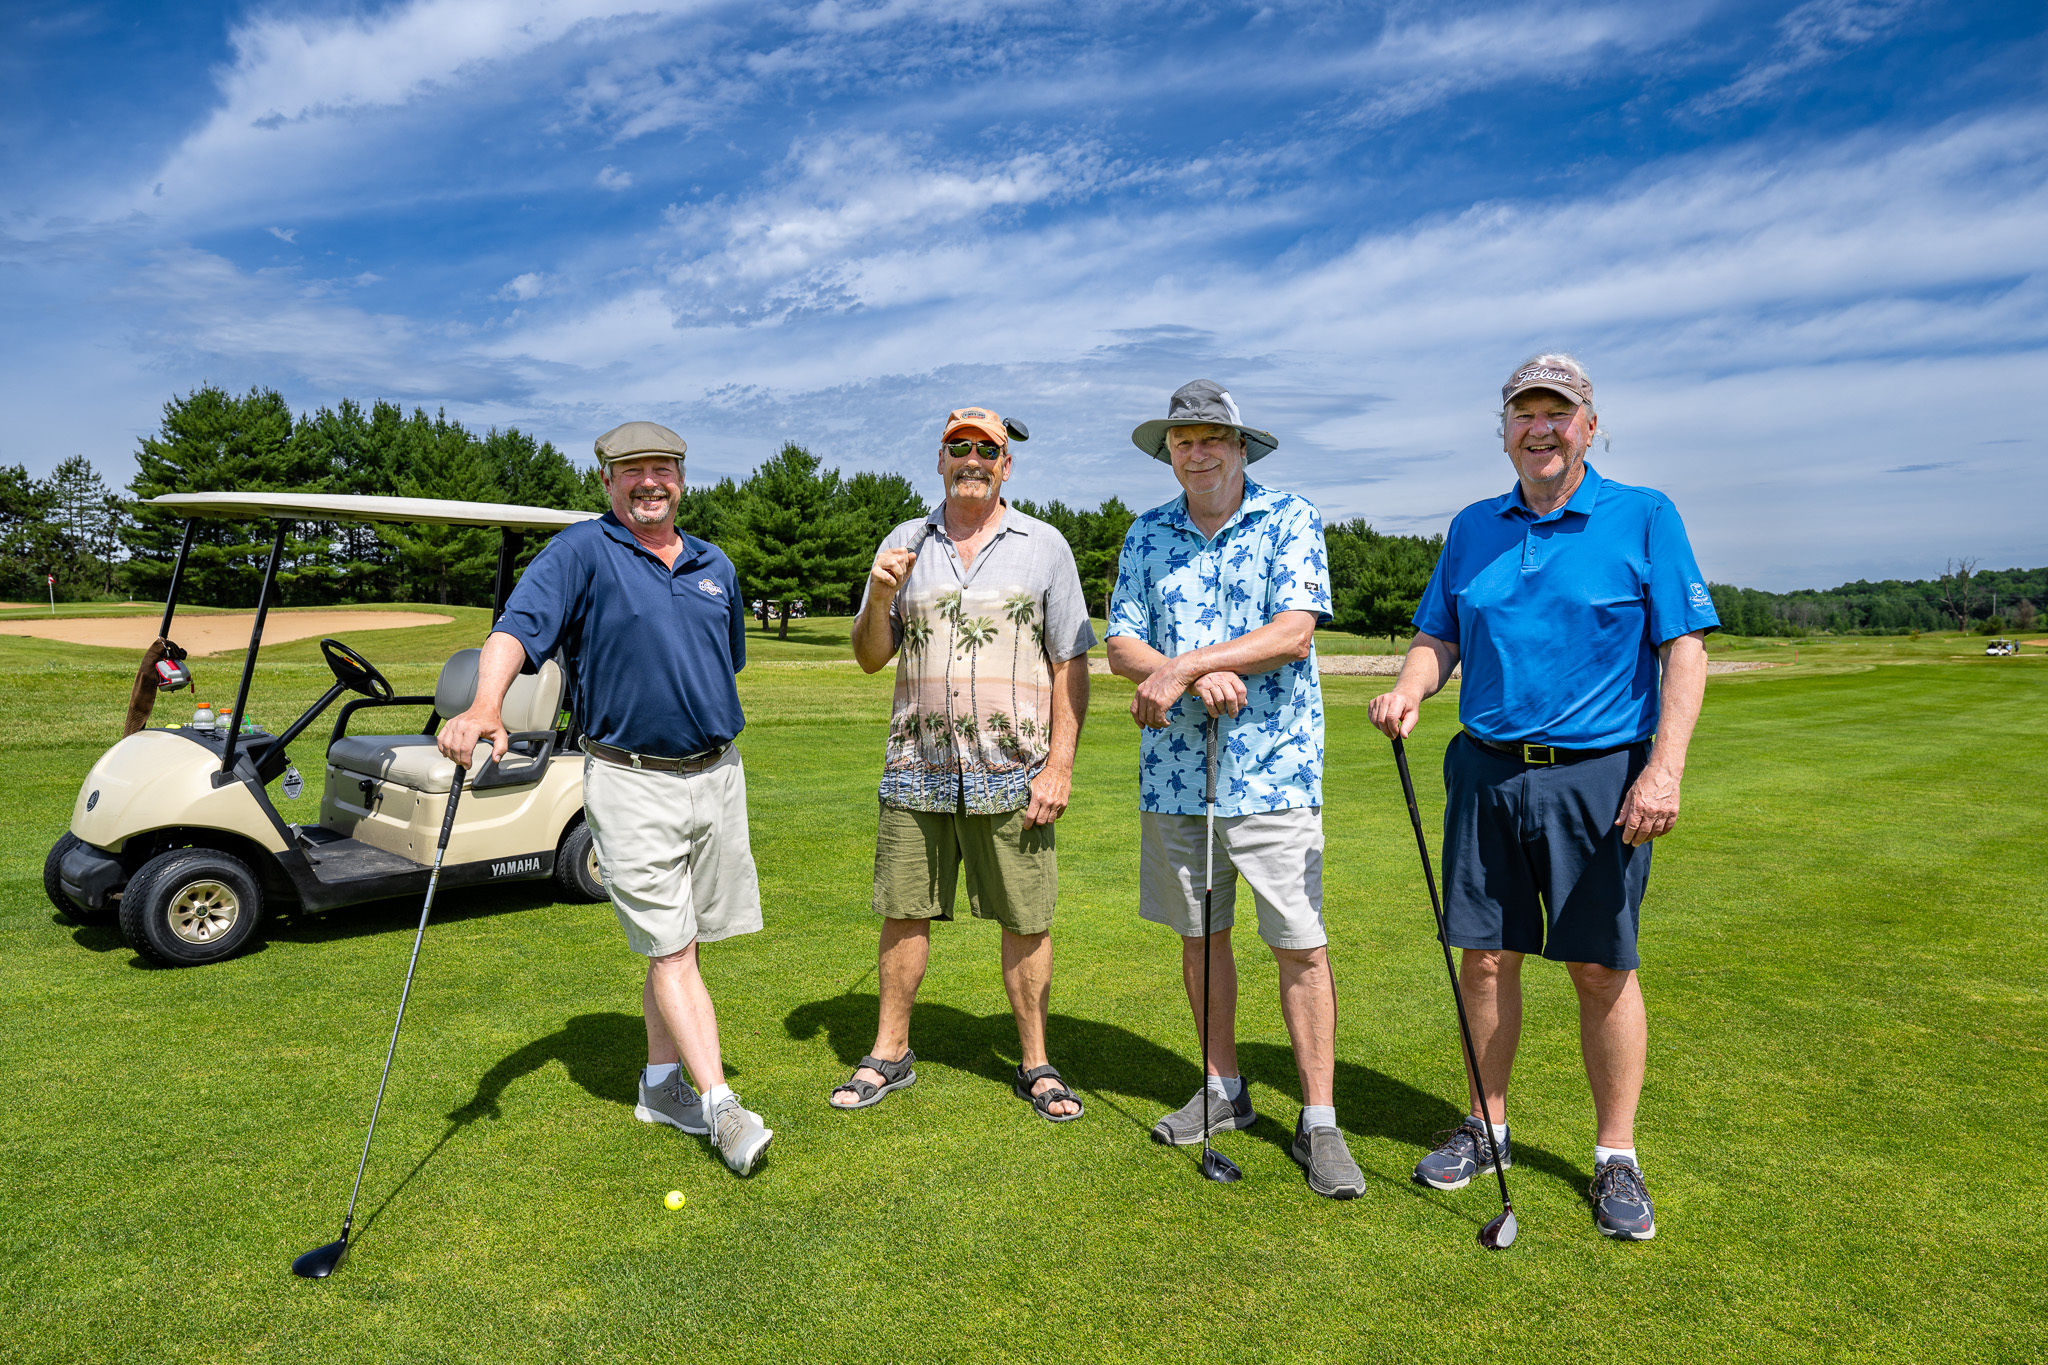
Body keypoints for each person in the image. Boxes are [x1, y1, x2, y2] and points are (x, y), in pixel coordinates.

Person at [1367, 354, 1716, 1240]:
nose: (1541, 428)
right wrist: (1410, 686)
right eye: (1524, 413)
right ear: (1505, 431)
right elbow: (1438, 636)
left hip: (1600, 775)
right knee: (1484, 957)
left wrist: (1664, 769)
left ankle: (1616, 1156)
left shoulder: (1644, 514)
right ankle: (1487, 1126)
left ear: (1589, 426)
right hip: (1486, 770)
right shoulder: (1472, 527)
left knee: (1601, 965)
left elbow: (1684, 649)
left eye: (1558, 412)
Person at [437, 420, 775, 1176]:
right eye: (632, 471)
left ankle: (659, 1086)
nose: (649, 482)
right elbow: (515, 631)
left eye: (662, 469)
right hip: (630, 779)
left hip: (717, 776)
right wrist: (486, 702)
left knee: (679, 943)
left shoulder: (715, 564)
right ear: (607, 480)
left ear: (681, 478)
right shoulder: (580, 552)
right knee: (673, 949)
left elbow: (726, 661)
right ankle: (720, 1104)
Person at [1105, 380, 1366, 1199]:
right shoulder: (1146, 533)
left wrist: (1190, 665)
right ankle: (1224, 1088)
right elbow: (1121, 643)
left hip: (1273, 770)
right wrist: (1185, 673)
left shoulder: (1289, 517)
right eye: (1184, 440)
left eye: (1213, 437)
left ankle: (1319, 1119)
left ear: (1241, 446)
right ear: (1169, 453)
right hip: (1177, 777)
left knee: (1298, 942)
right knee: (1200, 935)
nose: (1199, 452)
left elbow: (1294, 631)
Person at [832, 406, 1096, 1122]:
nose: (972, 459)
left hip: (1013, 770)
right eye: (959, 447)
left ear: (1006, 464)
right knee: (903, 912)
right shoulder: (903, 542)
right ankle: (889, 1052)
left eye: (986, 449)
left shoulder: (1044, 546)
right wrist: (879, 594)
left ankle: (1037, 1063)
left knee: (1026, 919)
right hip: (915, 765)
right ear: (941, 460)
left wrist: (1060, 766)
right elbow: (869, 656)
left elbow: (1070, 663)